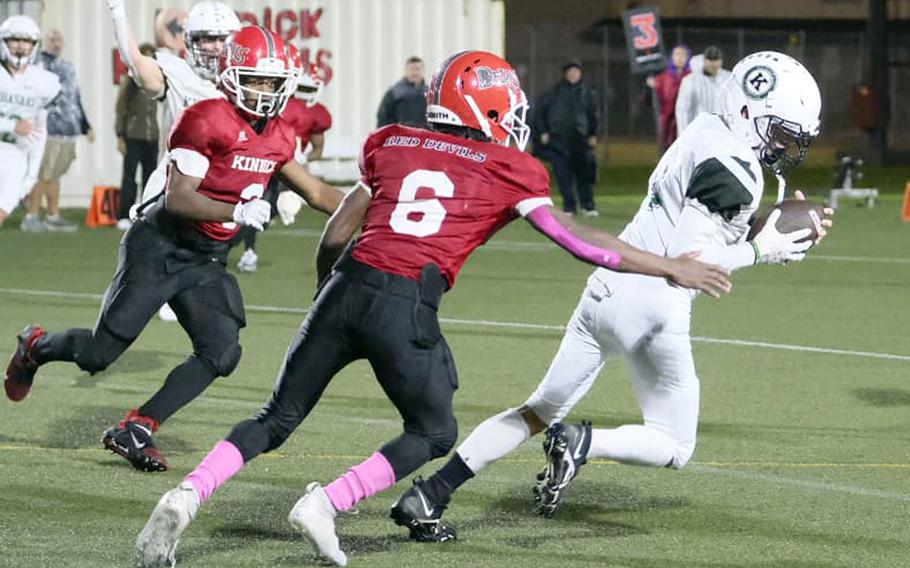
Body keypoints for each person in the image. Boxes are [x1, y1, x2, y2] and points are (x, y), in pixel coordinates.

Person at [133, 50, 732, 568]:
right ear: (488, 108)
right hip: (405, 303)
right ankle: (325, 503)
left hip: (345, 288)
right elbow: (579, 242)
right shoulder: (510, 167)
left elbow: (338, 233)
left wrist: (325, 297)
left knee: (275, 418)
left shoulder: (391, 141)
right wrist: (671, 267)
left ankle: (187, 494)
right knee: (434, 429)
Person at [388, 51, 833, 541]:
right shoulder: (738, 166)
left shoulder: (705, 129)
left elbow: (700, 216)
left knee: (538, 409)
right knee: (674, 442)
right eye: (781, 133)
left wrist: (758, 225)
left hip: (606, 285)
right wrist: (760, 249)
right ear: (750, 112)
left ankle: (432, 492)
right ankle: (584, 442)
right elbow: (689, 263)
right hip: (653, 306)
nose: (785, 147)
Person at [4, 27, 344, 476]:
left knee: (222, 352)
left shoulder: (279, 134)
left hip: (206, 258)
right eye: (257, 80)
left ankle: (137, 427)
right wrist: (238, 209)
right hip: (159, 246)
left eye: (272, 82)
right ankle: (37, 346)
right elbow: (180, 198)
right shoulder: (206, 118)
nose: (266, 92)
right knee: (99, 354)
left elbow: (319, 192)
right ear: (232, 75)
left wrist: (379, 208)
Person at [107, 0, 240, 321]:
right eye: (207, 38)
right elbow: (137, 63)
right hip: (178, 178)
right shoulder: (178, 72)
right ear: (190, 41)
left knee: (208, 257)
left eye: (223, 39)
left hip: (222, 185)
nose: (215, 47)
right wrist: (117, 10)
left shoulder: (247, 81)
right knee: (150, 245)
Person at [234, 53, 333, 274]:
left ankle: (234, 246)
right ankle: (244, 250)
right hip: (268, 162)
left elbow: (317, 148)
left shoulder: (315, 114)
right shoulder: (278, 106)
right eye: (302, 88)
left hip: (287, 166)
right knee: (257, 207)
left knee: (264, 212)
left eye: (308, 89)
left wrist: (302, 159)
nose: (303, 94)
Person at [20, 28, 93, 232]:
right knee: (42, 173)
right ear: (44, 42)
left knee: (56, 174)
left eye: (59, 39)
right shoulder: (37, 66)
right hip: (47, 129)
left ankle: (53, 216)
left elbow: (75, 97)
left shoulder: (67, 67)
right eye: (52, 39)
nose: (56, 43)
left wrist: (86, 126)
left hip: (68, 130)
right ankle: (31, 216)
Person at [0, 15, 60, 229]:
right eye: (15, 40)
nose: (20, 46)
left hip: (16, 156)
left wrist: (32, 174)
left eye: (26, 41)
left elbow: (40, 131)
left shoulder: (44, 81)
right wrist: (11, 126)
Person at [534, 59, 599, 217]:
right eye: (570, 71)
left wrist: (592, 134)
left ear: (580, 73)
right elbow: (540, 113)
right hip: (559, 141)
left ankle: (587, 205)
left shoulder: (587, 93)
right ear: (565, 74)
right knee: (563, 176)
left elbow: (594, 116)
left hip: (581, 140)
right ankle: (569, 206)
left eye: (576, 71)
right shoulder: (554, 92)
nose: (573, 74)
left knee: (584, 174)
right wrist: (543, 132)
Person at [114, 43, 159, 230]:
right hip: (133, 135)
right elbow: (120, 108)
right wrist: (120, 136)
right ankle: (124, 214)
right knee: (129, 177)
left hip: (152, 136)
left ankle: (146, 213)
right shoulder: (131, 81)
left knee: (151, 178)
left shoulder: (157, 82)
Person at [675, 46, 731, 136]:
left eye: (716, 60)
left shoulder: (728, 78)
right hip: (698, 131)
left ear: (721, 61)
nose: (713, 64)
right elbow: (682, 109)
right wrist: (683, 134)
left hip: (722, 131)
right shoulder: (691, 80)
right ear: (704, 61)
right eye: (710, 60)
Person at [648, 44, 690, 150]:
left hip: (685, 119)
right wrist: (651, 86)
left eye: (683, 55)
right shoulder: (663, 77)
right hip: (666, 120)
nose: (680, 58)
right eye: (677, 54)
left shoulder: (692, 76)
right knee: (666, 149)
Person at [376, 55, 426, 127]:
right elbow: (382, 116)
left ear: (423, 70)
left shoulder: (429, 93)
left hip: (423, 136)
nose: (414, 72)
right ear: (406, 70)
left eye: (417, 69)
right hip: (400, 136)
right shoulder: (395, 93)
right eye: (411, 69)